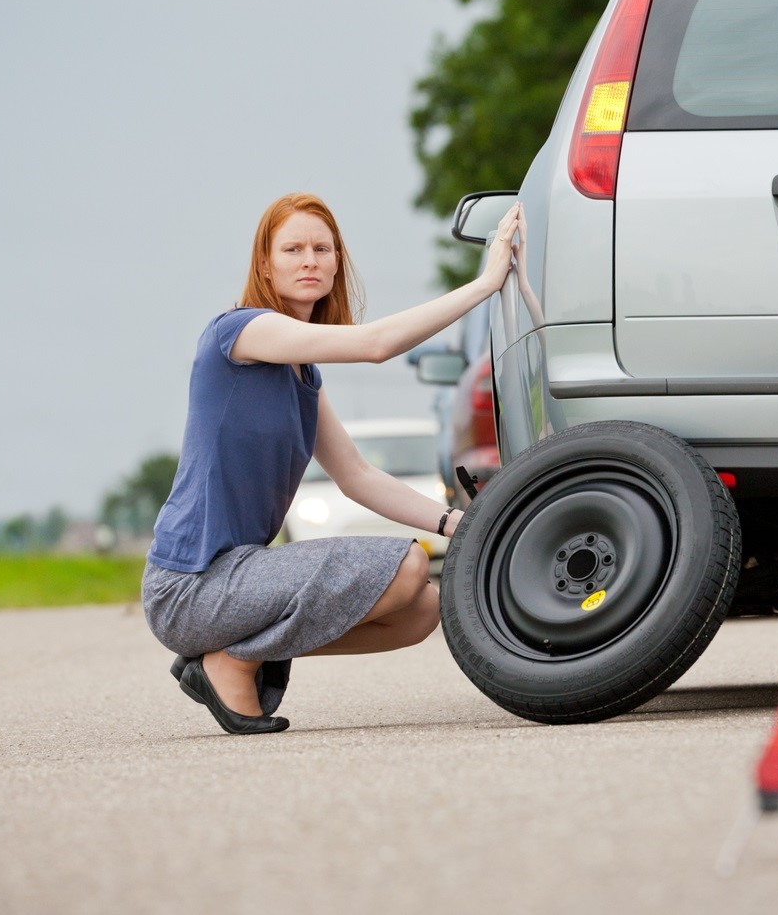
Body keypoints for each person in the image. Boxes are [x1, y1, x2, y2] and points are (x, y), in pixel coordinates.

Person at [142, 192, 523, 735]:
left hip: (241, 578)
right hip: (189, 585)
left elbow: (357, 477)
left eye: (323, 248)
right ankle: (233, 661)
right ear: (265, 266)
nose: (309, 260)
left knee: (424, 609)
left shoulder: (303, 375)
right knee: (408, 565)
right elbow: (374, 345)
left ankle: (234, 654)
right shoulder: (241, 333)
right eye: (292, 249)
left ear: (337, 262)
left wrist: (456, 523)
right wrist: (485, 285)